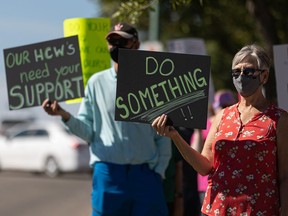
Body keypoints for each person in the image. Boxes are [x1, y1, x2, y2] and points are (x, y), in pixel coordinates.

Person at [42, 22, 171, 216]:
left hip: (145, 175)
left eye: (121, 41)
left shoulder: (154, 82)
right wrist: (64, 115)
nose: (115, 46)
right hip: (108, 173)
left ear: (136, 44)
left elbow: (164, 133)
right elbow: (88, 131)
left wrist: (158, 170)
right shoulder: (96, 82)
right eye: (112, 41)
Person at [151, 44, 288, 215]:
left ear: (264, 75)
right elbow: (204, 167)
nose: (241, 77)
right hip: (217, 209)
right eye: (236, 72)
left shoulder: (279, 120)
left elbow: (285, 176)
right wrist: (175, 136)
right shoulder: (222, 116)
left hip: (259, 210)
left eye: (248, 71)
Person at [190, 89, 237, 211]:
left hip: (234, 185)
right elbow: (194, 154)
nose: (225, 110)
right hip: (208, 186)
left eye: (228, 106)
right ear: (214, 107)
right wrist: (198, 131)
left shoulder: (239, 124)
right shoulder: (205, 125)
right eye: (222, 106)